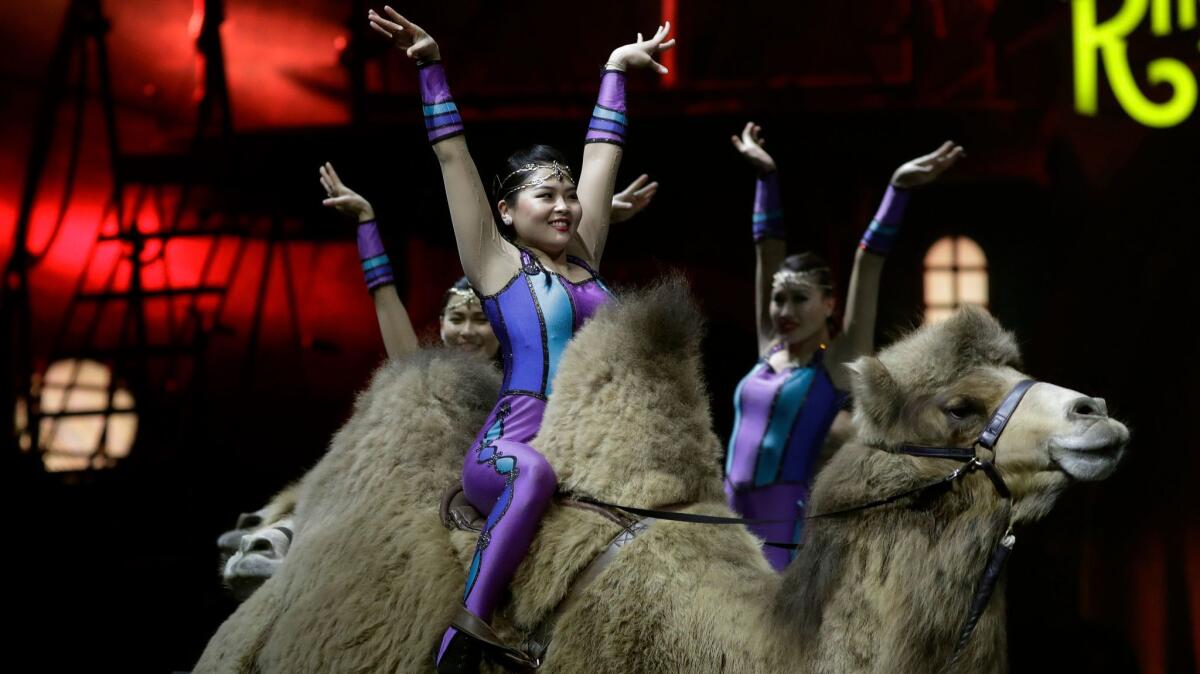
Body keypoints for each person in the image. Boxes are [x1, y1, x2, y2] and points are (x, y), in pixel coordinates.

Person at [366, 6, 673, 670]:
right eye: (545, 196)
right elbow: (453, 155)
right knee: (529, 473)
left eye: (568, 195)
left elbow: (602, 156)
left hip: (591, 450)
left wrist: (616, 71)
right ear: (506, 212)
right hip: (508, 453)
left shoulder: (586, 258)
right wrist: (430, 69)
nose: (564, 205)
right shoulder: (497, 265)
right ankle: (467, 628)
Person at [725, 121, 965, 570]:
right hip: (724, 516)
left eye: (799, 299)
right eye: (778, 298)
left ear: (829, 304)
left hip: (783, 528)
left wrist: (897, 189)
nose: (784, 310)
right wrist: (766, 177)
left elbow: (869, 261)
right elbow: (767, 249)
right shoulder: (768, 348)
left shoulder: (834, 362)